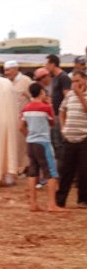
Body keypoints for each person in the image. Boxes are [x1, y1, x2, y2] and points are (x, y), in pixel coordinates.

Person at [20, 82, 59, 212]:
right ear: (42, 92)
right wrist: (50, 105)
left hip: (31, 142)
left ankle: (33, 203)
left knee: (33, 172)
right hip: (43, 142)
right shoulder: (45, 108)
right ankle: (51, 204)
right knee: (51, 172)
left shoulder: (26, 108)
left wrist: (28, 135)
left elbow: (21, 127)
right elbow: (52, 122)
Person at [56, 70, 87, 208]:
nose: (74, 84)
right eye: (73, 81)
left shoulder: (81, 94)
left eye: (77, 81)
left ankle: (83, 200)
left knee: (84, 172)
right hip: (69, 137)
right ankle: (60, 200)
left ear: (85, 80)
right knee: (65, 171)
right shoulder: (69, 95)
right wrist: (63, 129)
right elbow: (62, 110)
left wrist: (80, 95)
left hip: (84, 137)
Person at [3, 59, 32, 174]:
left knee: (22, 144)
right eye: (5, 70)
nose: (6, 73)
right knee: (13, 144)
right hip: (10, 119)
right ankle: (16, 168)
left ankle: (24, 168)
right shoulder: (6, 82)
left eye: (8, 70)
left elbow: (33, 99)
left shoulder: (26, 81)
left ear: (15, 69)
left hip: (23, 120)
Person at [45, 54, 71, 162]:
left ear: (53, 64)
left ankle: (63, 169)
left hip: (59, 115)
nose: (45, 66)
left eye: (47, 63)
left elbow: (67, 97)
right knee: (56, 142)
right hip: (54, 113)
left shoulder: (63, 77)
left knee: (59, 143)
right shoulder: (55, 78)